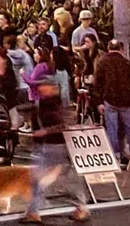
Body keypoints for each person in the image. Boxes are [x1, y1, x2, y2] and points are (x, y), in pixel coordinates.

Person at [25, 74, 91, 223]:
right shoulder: (41, 104)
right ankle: (34, 211)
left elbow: (64, 125)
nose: (42, 88)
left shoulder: (57, 105)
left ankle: (81, 207)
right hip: (45, 146)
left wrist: (45, 132)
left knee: (66, 181)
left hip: (58, 146)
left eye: (45, 85)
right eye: (40, 85)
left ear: (54, 88)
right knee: (39, 179)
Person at [92, 39, 130, 164]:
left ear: (108, 48)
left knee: (112, 130)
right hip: (127, 102)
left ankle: (115, 156)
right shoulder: (128, 64)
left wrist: (99, 102)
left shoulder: (102, 63)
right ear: (121, 49)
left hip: (110, 101)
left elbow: (97, 84)